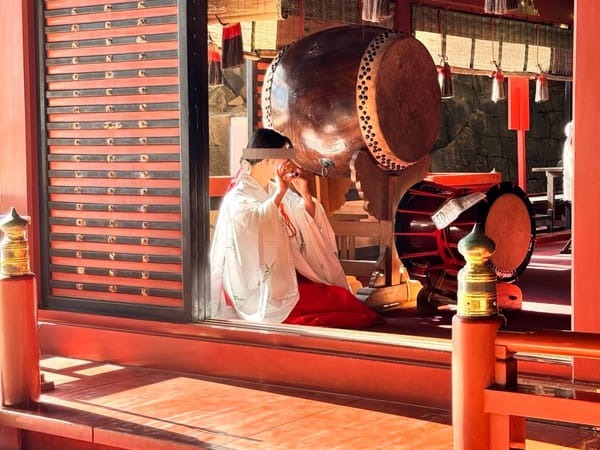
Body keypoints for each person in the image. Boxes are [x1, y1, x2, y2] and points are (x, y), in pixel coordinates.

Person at [210, 128, 379, 328]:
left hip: (290, 275)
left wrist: (305, 195)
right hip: (259, 289)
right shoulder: (238, 197)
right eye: (283, 157)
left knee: (340, 298)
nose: (287, 164)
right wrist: (280, 194)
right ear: (266, 160)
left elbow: (302, 215)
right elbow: (253, 224)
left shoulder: (272, 188)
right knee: (339, 304)